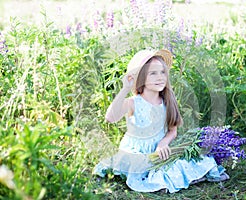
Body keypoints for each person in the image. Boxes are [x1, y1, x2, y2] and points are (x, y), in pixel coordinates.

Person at [93, 49, 229, 193]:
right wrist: (125, 89)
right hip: (137, 151)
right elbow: (110, 117)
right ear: (140, 78)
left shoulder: (167, 101)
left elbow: (173, 130)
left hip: (160, 149)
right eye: (153, 73)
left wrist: (163, 143)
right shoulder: (134, 102)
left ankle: (185, 175)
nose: (160, 78)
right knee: (143, 168)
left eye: (162, 72)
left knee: (191, 162)